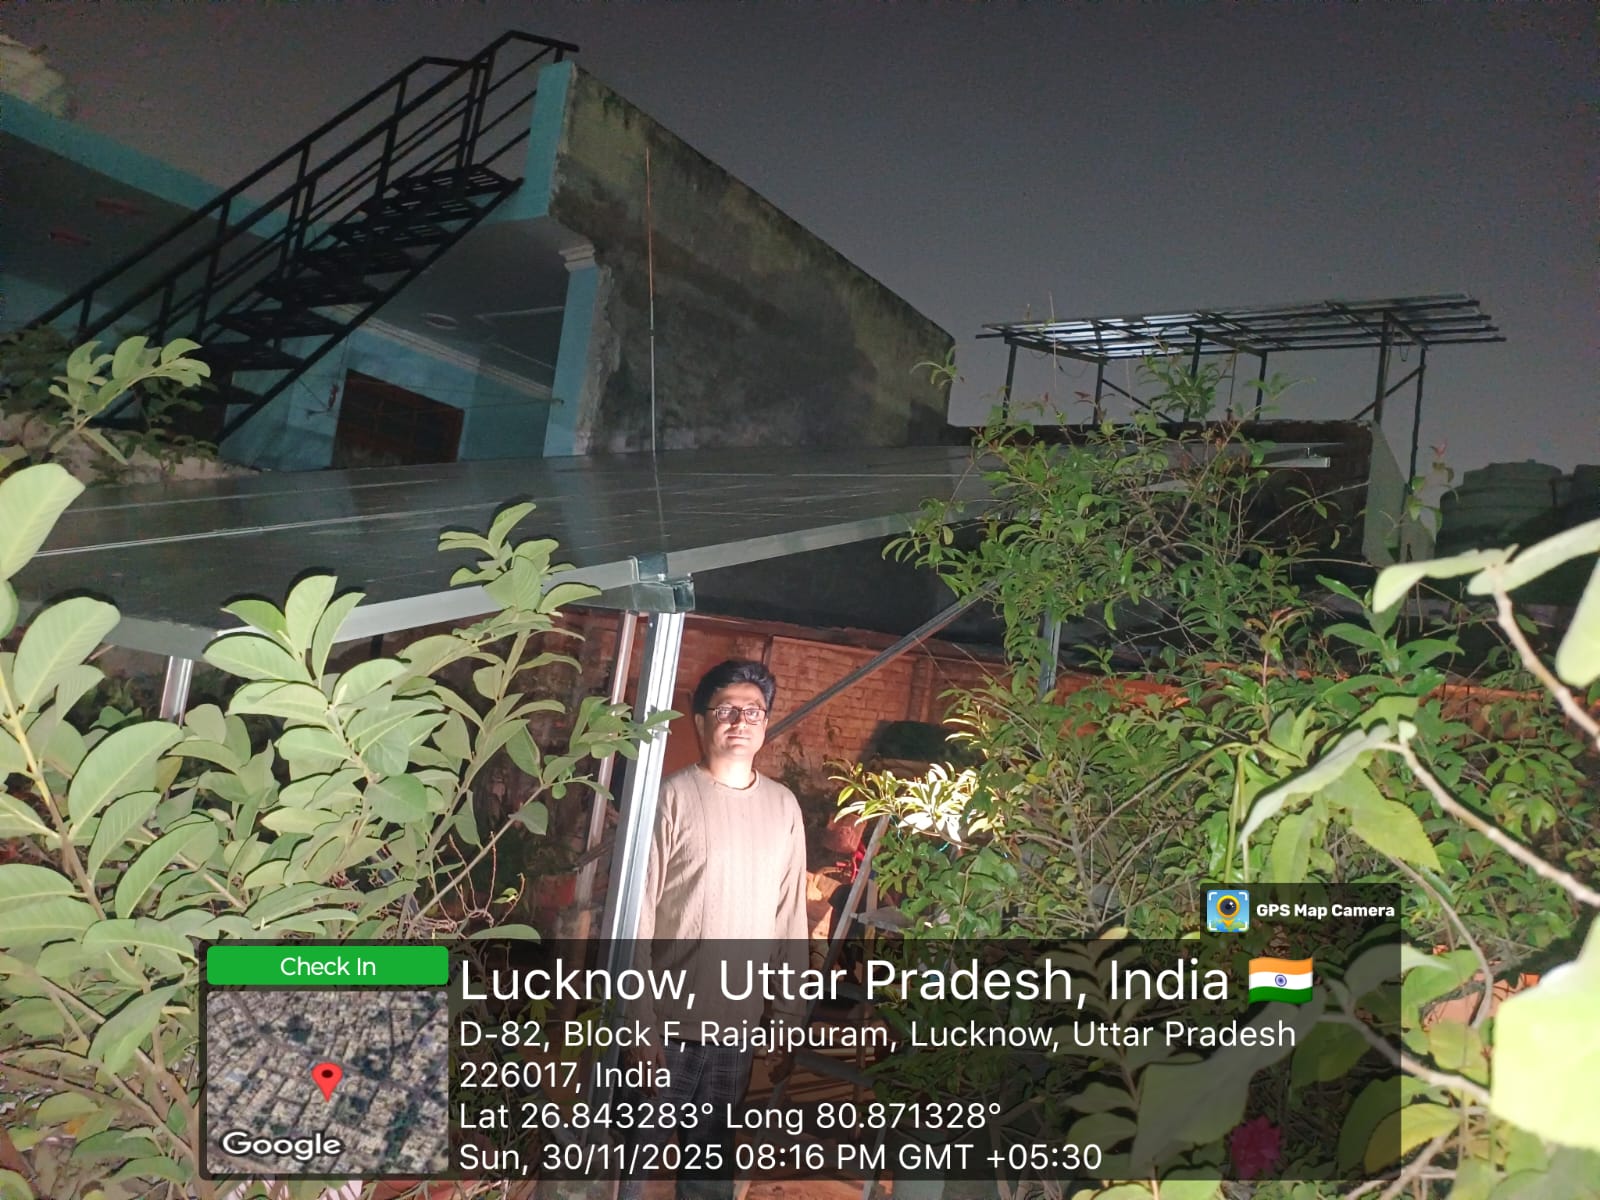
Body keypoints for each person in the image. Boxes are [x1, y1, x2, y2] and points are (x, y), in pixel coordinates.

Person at [621, 659, 810, 1199]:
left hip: (736, 1031)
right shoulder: (671, 797)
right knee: (633, 1162)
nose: (740, 721)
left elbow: (790, 918)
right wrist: (638, 1024)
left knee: (710, 1168)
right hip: (667, 1029)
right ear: (700, 721)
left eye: (753, 711)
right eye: (726, 710)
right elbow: (636, 917)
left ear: (766, 722)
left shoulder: (783, 807)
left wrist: (787, 1018)